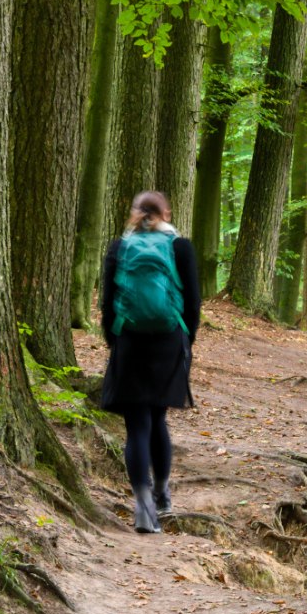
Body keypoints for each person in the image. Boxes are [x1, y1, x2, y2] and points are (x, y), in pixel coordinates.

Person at [100, 191, 201, 534]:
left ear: (134, 215)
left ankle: (143, 507)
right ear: (166, 213)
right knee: (158, 418)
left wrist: (113, 338)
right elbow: (194, 301)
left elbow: (107, 300)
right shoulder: (180, 247)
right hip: (169, 340)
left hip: (129, 341)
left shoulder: (119, 248)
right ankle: (162, 492)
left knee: (137, 425)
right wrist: (187, 338)